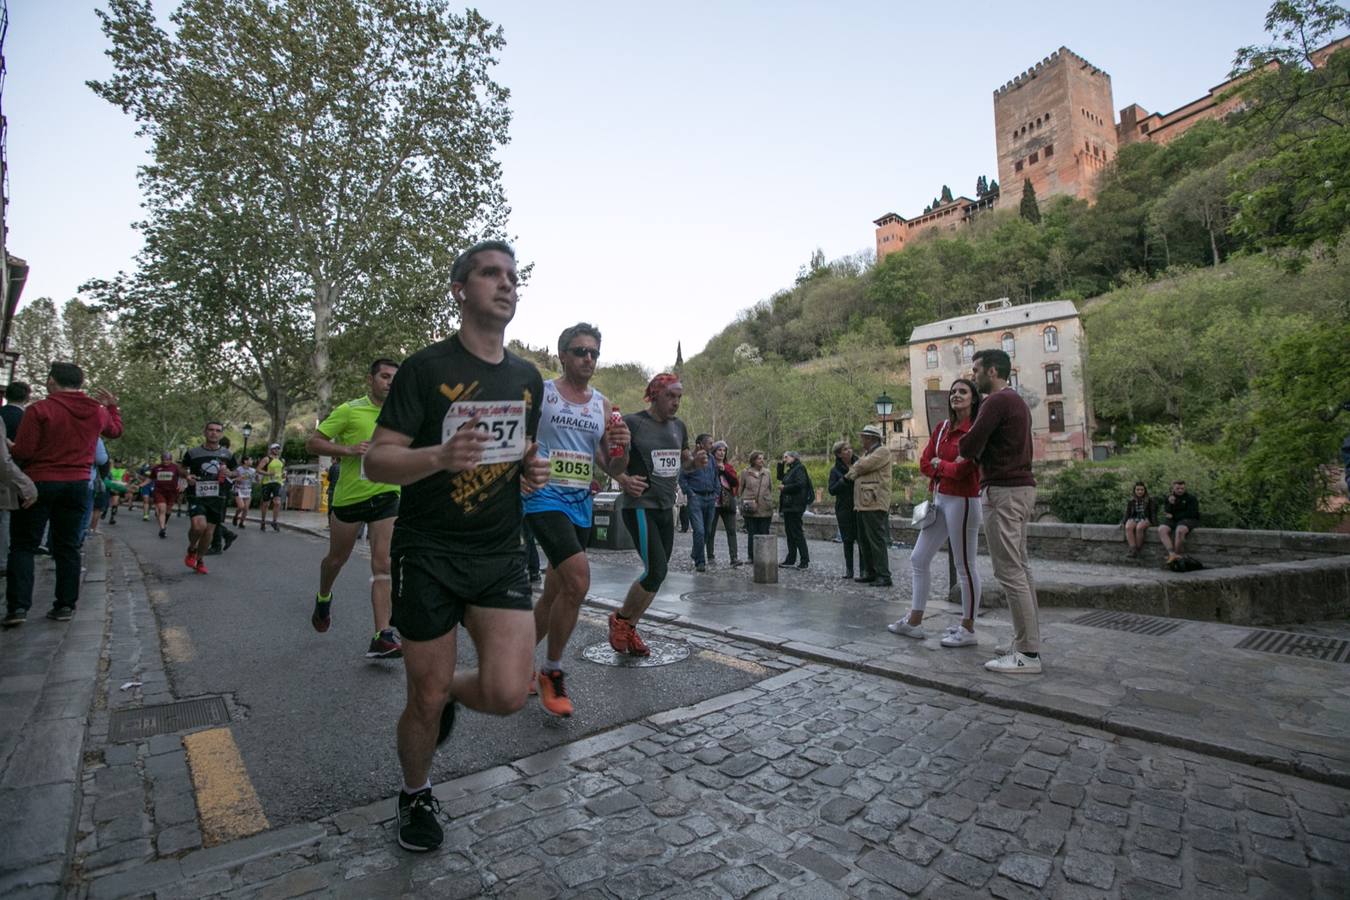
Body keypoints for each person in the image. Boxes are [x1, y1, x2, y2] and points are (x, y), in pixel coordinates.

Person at [363, 240, 547, 854]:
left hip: (498, 551)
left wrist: (531, 468)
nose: (506, 285)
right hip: (428, 551)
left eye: (513, 277)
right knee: (423, 693)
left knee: (506, 693)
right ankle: (415, 793)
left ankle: (446, 695)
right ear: (460, 290)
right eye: (491, 274)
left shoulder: (527, 378)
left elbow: (519, 450)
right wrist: (438, 457)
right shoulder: (425, 369)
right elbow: (377, 462)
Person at [524, 323, 630, 717]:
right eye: (580, 351)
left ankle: (521, 660)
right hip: (543, 497)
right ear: (563, 355)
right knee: (578, 579)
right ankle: (551, 671)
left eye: (594, 353)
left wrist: (624, 449)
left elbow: (611, 463)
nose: (588, 359)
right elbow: (519, 437)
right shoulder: (544, 394)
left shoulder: (601, 404)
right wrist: (523, 467)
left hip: (580, 501)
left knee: (555, 593)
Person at [3, 363, 122, 627]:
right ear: (80, 383)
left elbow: (24, 451)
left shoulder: (40, 409)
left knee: (23, 545)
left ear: (51, 381)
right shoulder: (96, 410)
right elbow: (115, 431)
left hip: (40, 483)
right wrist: (112, 407)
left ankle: (18, 607)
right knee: (67, 546)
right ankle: (65, 604)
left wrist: (11, 445)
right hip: (78, 484)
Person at [306, 357, 405, 660]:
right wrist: (348, 449)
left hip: (388, 495)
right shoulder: (350, 410)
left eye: (394, 378)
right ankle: (324, 596)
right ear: (371, 380)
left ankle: (382, 635)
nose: (390, 383)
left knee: (383, 563)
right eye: (385, 377)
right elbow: (314, 443)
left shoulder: (402, 414)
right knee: (336, 560)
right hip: (350, 498)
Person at [961, 348, 1041, 674]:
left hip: (1003, 491)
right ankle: (1027, 643)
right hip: (1021, 488)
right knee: (1021, 568)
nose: (973, 375)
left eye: (976, 369)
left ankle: (1028, 655)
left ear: (993, 371)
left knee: (1008, 571)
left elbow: (967, 446)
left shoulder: (995, 402)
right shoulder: (1017, 401)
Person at [890, 379, 984, 647]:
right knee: (919, 558)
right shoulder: (943, 428)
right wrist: (943, 465)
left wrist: (938, 464)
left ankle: (968, 628)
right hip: (940, 498)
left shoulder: (974, 430)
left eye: (963, 392)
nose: (956, 395)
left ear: (973, 398)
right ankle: (914, 621)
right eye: (953, 392)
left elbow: (964, 470)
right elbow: (924, 462)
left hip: (964, 500)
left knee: (964, 566)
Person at [611, 373, 691, 656]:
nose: (676, 402)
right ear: (655, 394)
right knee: (655, 569)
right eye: (671, 395)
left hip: (665, 507)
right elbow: (607, 457)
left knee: (658, 574)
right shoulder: (633, 422)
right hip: (639, 506)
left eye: (680, 397)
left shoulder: (679, 427)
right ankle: (621, 621)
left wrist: (697, 461)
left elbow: (685, 463)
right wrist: (623, 479)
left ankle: (630, 626)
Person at [181, 422, 238, 575]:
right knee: (198, 526)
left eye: (218, 431)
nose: (214, 433)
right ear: (205, 432)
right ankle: (192, 548)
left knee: (208, 532)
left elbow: (236, 472)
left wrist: (229, 473)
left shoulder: (227, 454)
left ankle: (199, 560)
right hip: (197, 494)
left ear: (221, 434)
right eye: (211, 430)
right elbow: (181, 467)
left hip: (217, 497)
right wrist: (187, 476)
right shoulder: (193, 453)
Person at [848, 424, 893, 587]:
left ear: (871, 438)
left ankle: (883, 575)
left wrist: (856, 468)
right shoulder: (868, 454)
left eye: (863, 437)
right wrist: (856, 469)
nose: (861, 440)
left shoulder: (882, 452)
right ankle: (871, 572)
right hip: (864, 503)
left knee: (876, 540)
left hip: (874, 502)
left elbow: (860, 467)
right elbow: (855, 470)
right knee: (864, 540)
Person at [0, 381, 30, 573]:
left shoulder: (2, 415)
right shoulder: (27, 418)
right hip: (16, 473)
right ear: (27, 396)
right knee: (6, 517)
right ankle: (4, 560)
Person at [678, 433, 719, 572]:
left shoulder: (712, 459)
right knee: (699, 531)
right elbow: (682, 478)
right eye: (710, 443)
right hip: (696, 498)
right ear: (700, 445)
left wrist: (716, 493)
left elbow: (715, 477)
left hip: (710, 498)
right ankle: (700, 561)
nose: (712, 446)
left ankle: (696, 552)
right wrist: (690, 493)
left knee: (707, 530)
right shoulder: (690, 460)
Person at [706, 441, 740, 566]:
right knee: (710, 531)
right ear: (714, 451)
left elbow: (735, 483)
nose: (721, 453)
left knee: (731, 531)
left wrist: (724, 470)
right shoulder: (708, 465)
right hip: (713, 503)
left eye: (723, 450)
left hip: (727, 503)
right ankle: (710, 556)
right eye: (719, 450)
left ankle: (734, 558)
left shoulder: (728, 467)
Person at [827, 440, 858, 578]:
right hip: (844, 509)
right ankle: (849, 570)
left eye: (850, 448)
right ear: (839, 454)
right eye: (845, 449)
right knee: (848, 540)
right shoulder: (835, 471)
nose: (849, 451)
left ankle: (865, 570)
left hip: (860, 506)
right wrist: (844, 480)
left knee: (863, 540)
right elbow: (832, 490)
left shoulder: (860, 465)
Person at [777, 450, 812, 569]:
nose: (784, 459)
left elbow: (801, 484)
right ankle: (791, 559)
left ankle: (804, 560)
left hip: (795, 506)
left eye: (786, 457)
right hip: (789, 506)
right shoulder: (791, 469)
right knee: (790, 533)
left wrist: (785, 488)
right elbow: (780, 477)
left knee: (796, 533)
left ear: (794, 457)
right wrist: (781, 464)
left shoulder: (799, 468)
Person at [739, 451, 773, 563]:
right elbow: (740, 489)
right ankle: (751, 556)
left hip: (765, 507)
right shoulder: (745, 473)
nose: (762, 461)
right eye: (759, 459)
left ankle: (764, 555)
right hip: (750, 506)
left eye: (763, 458)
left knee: (764, 532)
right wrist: (743, 501)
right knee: (752, 533)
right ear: (753, 460)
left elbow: (770, 488)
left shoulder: (767, 472)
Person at [1158, 480, 1200, 563]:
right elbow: (1167, 512)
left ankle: (1177, 554)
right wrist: (1170, 503)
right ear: (1173, 488)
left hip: (1190, 519)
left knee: (1180, 530)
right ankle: (1171, 553)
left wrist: (1174, 515)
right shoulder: (1169, 498)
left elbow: (1191, 513)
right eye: (1177, 488)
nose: (1180, 490)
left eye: (1182, 488)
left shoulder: (1191, 498)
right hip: (1174, 520)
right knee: (1161, 529)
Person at [149, 451, 183, 539]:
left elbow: (183, 477)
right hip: (159, 491)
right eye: (164, 460)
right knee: (162, 509)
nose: (165, 462)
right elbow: (150, 478)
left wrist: (181, 485)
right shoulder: (156, 468)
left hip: (172, 492)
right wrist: (141, 485)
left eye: (168, 460)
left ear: (171, 460)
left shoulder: (175, 467)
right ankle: (162, 529)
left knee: (168, 511)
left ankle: (164, 524)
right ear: (161, 460)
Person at [1121, 481, 1156, 559]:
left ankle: (1138, 549)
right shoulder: (1131, 500)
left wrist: (1154, 523)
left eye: (1142, 490)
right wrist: (1123, 522)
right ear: (1135, 490)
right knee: (1128, 527)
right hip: (1134, 517)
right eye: (1138, 490)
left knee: (1139, 527)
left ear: (1145, 490)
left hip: (1145, 518)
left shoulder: (1150, 500)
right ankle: (1133, 549)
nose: (1140, 491)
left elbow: (1153, 512)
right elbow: (1127, 513)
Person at [256, 443, 285, 531]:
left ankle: (274, 521)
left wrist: (283, 475)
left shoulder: (282, 460)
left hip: (278, 482)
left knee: (277, 502)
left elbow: (282, 471)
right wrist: (268, 473)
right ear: (271, 449)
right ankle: (263, 521)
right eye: (275, 448)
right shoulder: (267, 459)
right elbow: (258, 469)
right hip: (267, 482)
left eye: (278, 449)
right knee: (266, 503)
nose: (277, 450)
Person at [233, 456, 256, 528]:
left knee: (246, 508)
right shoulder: (239, 469)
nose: (252, 461)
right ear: (245, 461)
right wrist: (238, 479)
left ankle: (241, 523)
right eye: (250, 460)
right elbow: (233, 478)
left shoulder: (253, 470)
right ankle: (236, 516)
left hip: (248, 489)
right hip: (239, 489)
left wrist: (257, 479)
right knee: (241, 506)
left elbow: (255, 480)